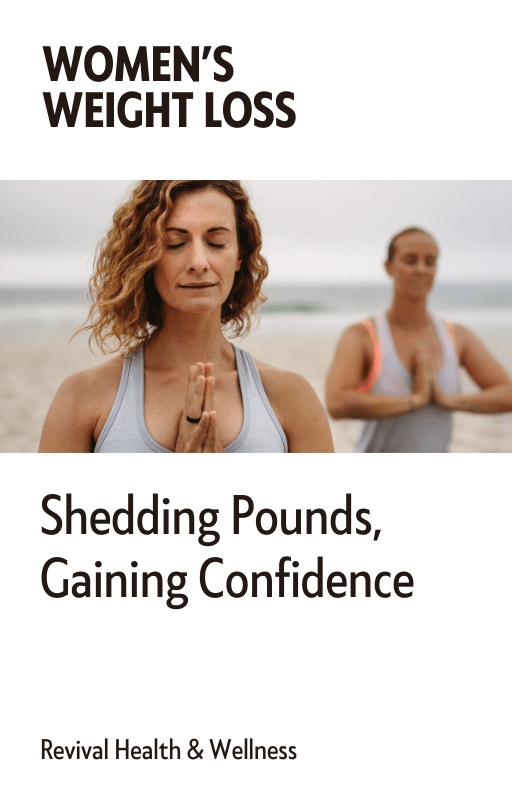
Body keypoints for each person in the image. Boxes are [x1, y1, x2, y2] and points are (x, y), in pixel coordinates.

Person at [39, 180, 333, 453]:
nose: (198, 262)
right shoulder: (82, 397)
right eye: (175, 244)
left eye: (216, 242)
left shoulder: (293, 397)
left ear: (239, 257)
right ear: (146, 257)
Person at [326, 227, 512, 452]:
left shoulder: (457, 336)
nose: (421, 269)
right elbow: (337, 402)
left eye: (430, 262)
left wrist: (446, 400)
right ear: (389, 267)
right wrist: (414, 401)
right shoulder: (362, 335)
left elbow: (506, 393)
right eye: (410, 260)